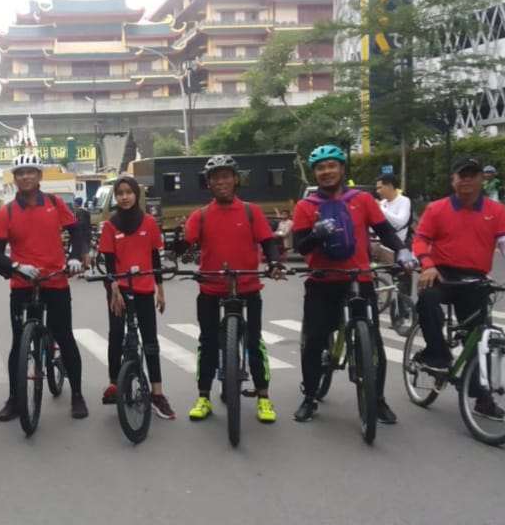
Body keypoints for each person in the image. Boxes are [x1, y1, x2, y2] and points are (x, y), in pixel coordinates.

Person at [291, 145, 415, 423]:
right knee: (314, 342)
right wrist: (315, 234)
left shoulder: (362, 200)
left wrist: (403, 250)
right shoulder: (306, 206)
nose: (326, 172)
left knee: (374, 343)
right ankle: (310, 396)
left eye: (331, 166)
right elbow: (299, 246)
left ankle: (378, 399)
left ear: (342, 169)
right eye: (321, 168)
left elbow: (384, 231)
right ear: (315, 173)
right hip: (322, 281)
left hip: (359, 279)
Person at [412, 157, 505, 419]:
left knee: (480, 336)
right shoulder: (437, 209)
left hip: (475, 278)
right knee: (427, 299)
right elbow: (421, 239)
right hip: (442, 273)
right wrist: (427, 264)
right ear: (454, 180)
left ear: (483, 179)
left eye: (473, 174)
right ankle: (436, 354)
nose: (467, 179)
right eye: (462, 175)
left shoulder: (497, 210)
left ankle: (482, 399)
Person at [172, 155, 284, 423]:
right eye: (215, 178)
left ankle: (264, 398)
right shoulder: (201, 215)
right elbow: (184, 245)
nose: (221, 182)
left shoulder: (250, 211)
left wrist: (275, 263)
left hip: (247, 285)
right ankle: (203, 396)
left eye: (226, 176)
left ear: (235, 180)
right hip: (211, 287)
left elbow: (268, 242)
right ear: (208, 183)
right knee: (207, 343)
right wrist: (173, 248)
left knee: (255, 342)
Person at [0, 153, 90, 420]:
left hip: (55, 279)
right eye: (20, 173)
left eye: (30, 172)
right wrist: (14, 266)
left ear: (39, 176)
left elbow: (76, 231)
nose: (25, 177)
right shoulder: (7, 211)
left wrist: (75, 257)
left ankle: (77, 395)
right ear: (15, 178)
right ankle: (14, 398)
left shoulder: (55, 203)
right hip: (22, 283)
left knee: (65, 336)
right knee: (18, 343)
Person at [98, 174, 175, 420]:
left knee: (150, 340)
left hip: (144, 290)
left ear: (136, 195)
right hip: (118, 290)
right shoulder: (110, 225)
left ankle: (157, 393)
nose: (124, 197)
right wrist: (114, 290)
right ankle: (113, 382)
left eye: (128, 192)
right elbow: (108, 262)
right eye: (119, 193)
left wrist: (160, 289)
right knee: (116, 334)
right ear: (115, 197)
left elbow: (155, 258)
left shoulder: (149, 223)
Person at [376, 173, 414, 319]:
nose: (378, 191)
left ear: (390, 186)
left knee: (403, 277)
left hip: (401, 246)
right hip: (383, 247)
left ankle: (404, 308)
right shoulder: (383, 203)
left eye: (380, 187)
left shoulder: (404, 201)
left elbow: (399, 222)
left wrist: (380, 209)